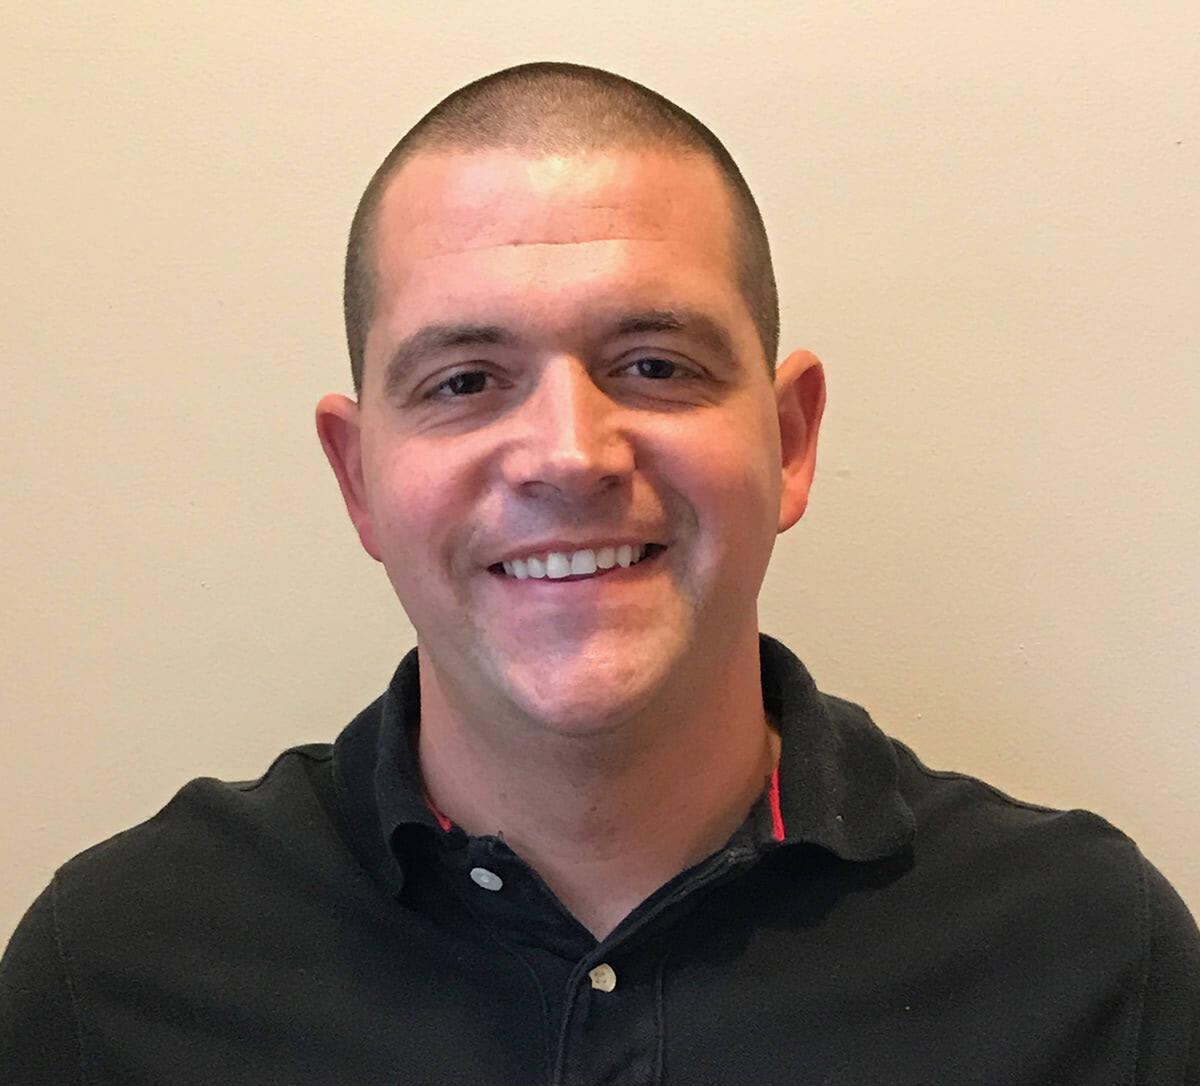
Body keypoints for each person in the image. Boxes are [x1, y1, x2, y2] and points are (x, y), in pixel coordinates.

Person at [2, 61, 1196, 1085]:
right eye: (466, 381)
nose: (571, 455)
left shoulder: (1090, 959)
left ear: (790, 441)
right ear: (359, 478)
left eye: (656, 364)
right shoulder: (112, 975)